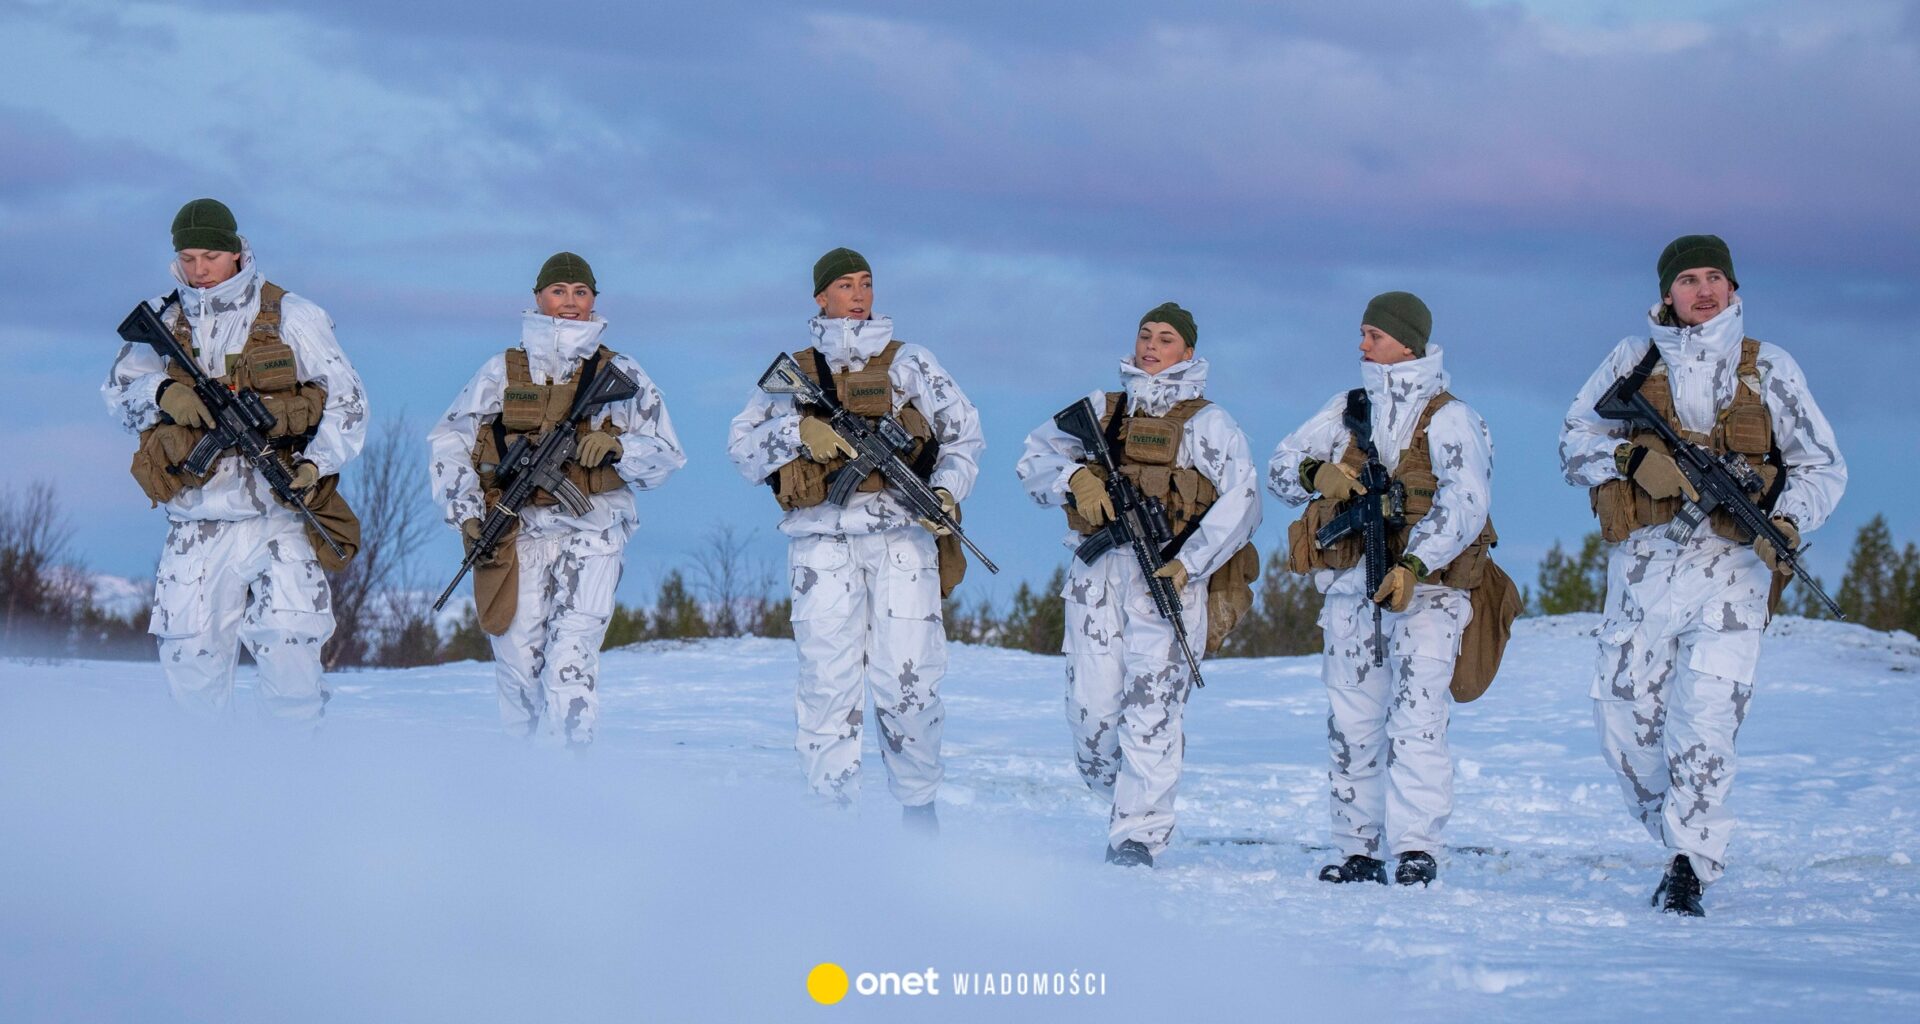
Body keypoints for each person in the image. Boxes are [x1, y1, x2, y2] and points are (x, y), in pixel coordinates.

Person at [1559, 235, 1845, 915]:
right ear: (1668, 292)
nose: (1705, 290)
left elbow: (1821, 466)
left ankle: (1690, 863)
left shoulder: (1768, 368)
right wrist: (1629, 462)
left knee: (1705, 725)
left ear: (1734, 288)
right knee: (1623, 722)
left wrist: (1789, 522)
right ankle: (1677, 832)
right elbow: (1573, 441)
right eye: (1689, 279)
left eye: (1716, 276)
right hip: (1643, 573)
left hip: (1732, 573)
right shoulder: (1632, 361)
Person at [726, 247, 983, 830]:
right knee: (826, 684)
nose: (859, 294)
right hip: (821, 542)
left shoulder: (910, 363)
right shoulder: (794, 371)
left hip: (901, 541)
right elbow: (742, 449)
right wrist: (798, 430)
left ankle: (918, 809)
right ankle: (830, 825)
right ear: (821, 296)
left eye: (866, 283)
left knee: (910, 684)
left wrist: (946, 491)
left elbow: (964, 436)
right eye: (845, 285)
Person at [103, 197, 368, 720]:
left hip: (277, 518)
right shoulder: (164, 317)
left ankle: (297, 764)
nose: (199, 270)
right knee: (191, 674)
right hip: (196, 522)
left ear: (236, 253)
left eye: (210, 257)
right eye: (188, 258)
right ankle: (204, 771)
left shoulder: (292, 315)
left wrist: (316, 463)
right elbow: (117, 394)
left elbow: (348, 401)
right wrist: (161, 392)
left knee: (292, 659)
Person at [1016, 302, 1261, 867]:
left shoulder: (1209, 424)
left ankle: (1137, 836)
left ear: (1189, 352)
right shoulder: (1105, 410)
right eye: (1145, 335)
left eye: (1166, 339)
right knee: (1092, 717)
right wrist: (1075, 477)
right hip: (1098, 578)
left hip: (1167, 581)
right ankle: (1127, 793)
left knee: (1153, 711)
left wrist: (1191, 561)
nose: (1151, 346)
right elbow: (1032, 461)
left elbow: (1244, 502)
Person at [1269, 292, 1496, 887]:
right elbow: (1279, 467)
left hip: (1427, 596)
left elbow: (1466, 503)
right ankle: (1358, 849)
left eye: (1374, 335)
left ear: (1408, 344)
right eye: (1363, 333)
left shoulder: (1450, 417)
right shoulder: (1347, 409)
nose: (1362, 344)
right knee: (1352, 724)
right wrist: (1313, 472)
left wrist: (1415, 563)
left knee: (1418, 723)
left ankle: (1417, 848)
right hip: (1351, 594)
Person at [427, 252, 685, 749]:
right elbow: (449, 442)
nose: (570, 302)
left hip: (594, 530)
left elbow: (667, 455)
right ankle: (522, 778)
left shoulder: (621, 372)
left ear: (594, 300)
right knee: (518, 668)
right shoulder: (503, 371)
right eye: (559, 291)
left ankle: (571, 776)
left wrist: (620, 448)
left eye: (580, 292)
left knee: (572, 659)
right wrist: (467, 514)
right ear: (538, 297)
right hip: (519, 533)